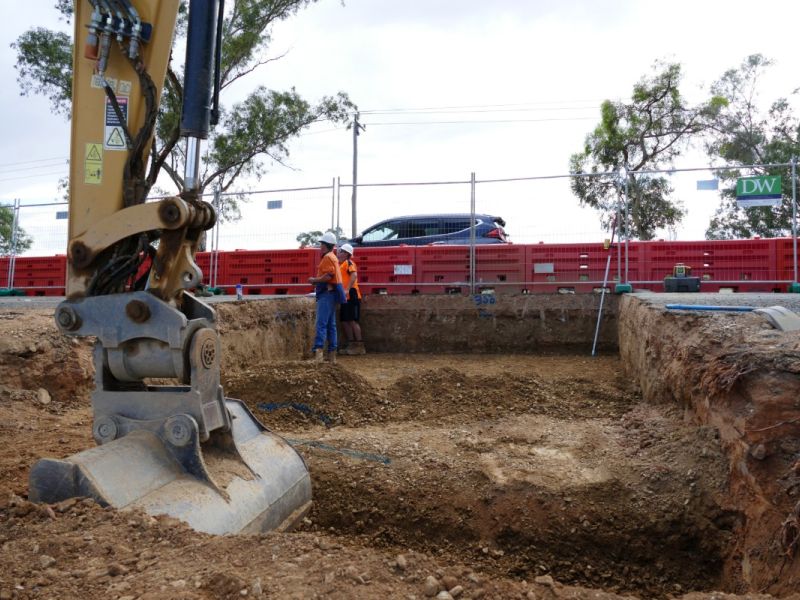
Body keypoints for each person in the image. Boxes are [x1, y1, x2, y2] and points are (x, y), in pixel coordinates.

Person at [307, 231, 343, 363]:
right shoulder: (333, 257)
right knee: (331, 325)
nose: (320, 246)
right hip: (332, 294)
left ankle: (318, 354)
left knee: (321, 324)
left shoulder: (327, 257)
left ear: (326, 245)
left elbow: (328, 276)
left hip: (326, 294)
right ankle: (332, 355)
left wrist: (314, 280)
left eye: (321, 244)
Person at [337, 243, 366, 355]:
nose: (339, 253)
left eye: (341, 251)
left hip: (352, 294)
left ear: (346, 254)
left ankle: (359, 346)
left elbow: (353, 276)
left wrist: (347, 289)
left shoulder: (349, 263)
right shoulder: (341, 265)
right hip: (345, 296)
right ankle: (351, 344)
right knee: (345, 321)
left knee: (352, 320)